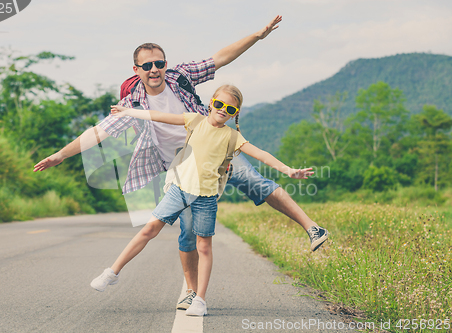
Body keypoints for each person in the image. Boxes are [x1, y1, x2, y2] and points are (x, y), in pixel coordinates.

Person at [33, 15, 329, 311]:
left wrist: (257, 36)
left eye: (159, 63)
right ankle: (190, 290)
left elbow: (220, 59)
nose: (154, 70)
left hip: (214, 146)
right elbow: (99, 131)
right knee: (188, 229)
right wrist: (60, 154)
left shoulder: (180, 77)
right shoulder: (133, 102)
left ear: (165, 64)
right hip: (181, 168)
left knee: (254, 181)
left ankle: (312, 228)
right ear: (136, 70)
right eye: (147, 65)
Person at [90, 84, 316, 316]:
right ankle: (112, 272)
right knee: (149, 229)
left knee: (204, 247)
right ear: (211, 103)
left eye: (229, 108)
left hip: (206, 198)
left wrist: (287, 170)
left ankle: (200, 300)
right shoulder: (195, 120)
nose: (222, 110)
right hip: (178, 189)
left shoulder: (232, 136)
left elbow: (261, 154)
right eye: (219, 104)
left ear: (235, 113)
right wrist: (129, 112)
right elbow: (158, 116)